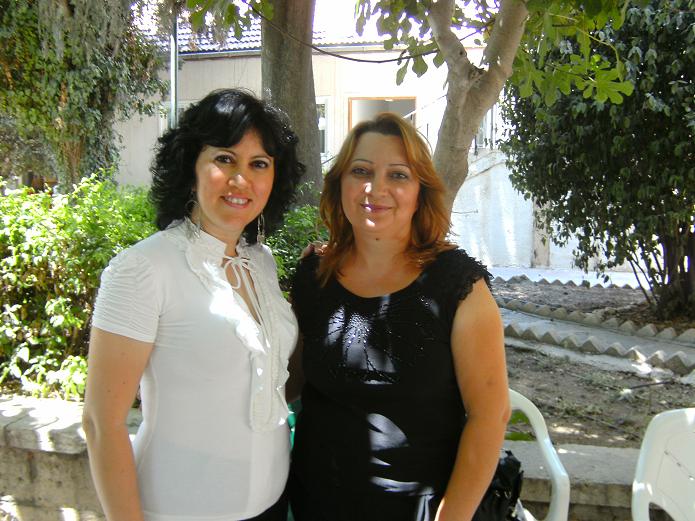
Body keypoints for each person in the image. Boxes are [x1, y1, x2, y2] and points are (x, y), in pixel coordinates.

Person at [82, 88, 304, 521]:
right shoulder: (143, 269)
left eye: (259, 164)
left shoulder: (261, 261)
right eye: (225, 159)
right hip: (178, 510)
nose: (241, 179)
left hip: (273, 505)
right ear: (191, 166)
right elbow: (100, 423)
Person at [287, 112, 510, 521]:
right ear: (339, 184)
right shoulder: (313, 276)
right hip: (315, 502)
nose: (376, 188)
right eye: (361, 171)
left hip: (421, 509)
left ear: (420, 191)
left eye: (398, 175)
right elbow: (287, 381)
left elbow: (490, 415)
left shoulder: (458, 286)